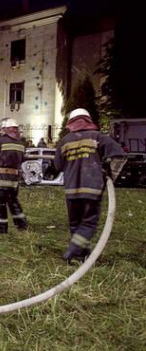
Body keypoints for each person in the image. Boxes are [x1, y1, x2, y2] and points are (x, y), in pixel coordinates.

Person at [54, 108, 126, 262]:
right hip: (92, 188)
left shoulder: (64, 141)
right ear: (88, 121)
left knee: (75, 223)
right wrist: (110, 175)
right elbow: (119, 155)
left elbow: (58, 166)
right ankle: (73, 250)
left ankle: (81, 254)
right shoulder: (98, 137)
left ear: (71, 123)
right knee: (88, 223)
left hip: (71, 189)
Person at [0, 118, 28, 233]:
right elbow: (22, 159)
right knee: (13, 201)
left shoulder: (1, 141)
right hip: (15, 178)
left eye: (3, 129)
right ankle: (22, 224)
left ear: (7, 129)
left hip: (4, 178)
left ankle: (0, 228)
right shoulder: (21, 143)